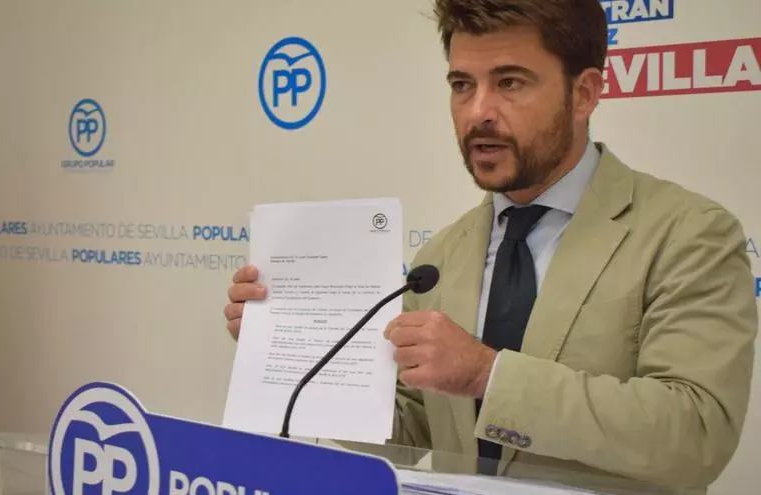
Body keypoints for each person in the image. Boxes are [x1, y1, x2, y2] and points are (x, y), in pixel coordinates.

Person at [224, 0, 757, 493]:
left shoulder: (689, 234)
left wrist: (487, 374)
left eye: (510, 82)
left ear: (585, 93)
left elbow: (697, 434)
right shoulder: (440, 257)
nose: (478, 111)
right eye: (462, 85)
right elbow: (412, 430)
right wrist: (289, 352)